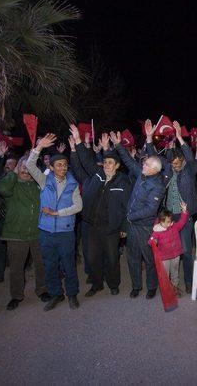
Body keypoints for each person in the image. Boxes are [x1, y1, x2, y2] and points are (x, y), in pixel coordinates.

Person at [68, 126, 131, 297]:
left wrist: (124, 227)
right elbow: (86, 161)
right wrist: (79, 142)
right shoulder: (98, 175)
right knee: (93, 257)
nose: (107, 165)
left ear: (117, 166)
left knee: (111, 258)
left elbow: (127, 207)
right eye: (105, 162)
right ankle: (96, 284)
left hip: (111, 228)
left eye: (110, 162)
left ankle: (113, 284)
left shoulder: (123, 182)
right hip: (92, 226)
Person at [26, 133, 83, 311]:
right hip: (46, 232)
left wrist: (57, 213)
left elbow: (78, 206)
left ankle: (72, 294)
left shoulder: (73, 184)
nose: (63, 167)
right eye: (59, 165)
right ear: (51, 167)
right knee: (49, 265)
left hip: (66, 233)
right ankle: (55, 294)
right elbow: (29, 165)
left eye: (65, 165)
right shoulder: (44, 180)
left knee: (68, 265)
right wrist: (38, 147)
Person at [112, 126, 165, 299]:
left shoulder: (157, 185)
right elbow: (128, 161)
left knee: (149, 259)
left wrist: (129, 216)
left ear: (154, 170)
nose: (143, 164)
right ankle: (136, 286)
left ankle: (151, 286)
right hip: (132, 224)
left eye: (147, 164)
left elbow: (150, 210)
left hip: (144, 227)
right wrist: (119, 145)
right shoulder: (142, 174)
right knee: (132, 257)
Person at [152, 121, 197, 293]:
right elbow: (156, 159)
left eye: (178, 161)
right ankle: (170, 285)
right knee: (168, 252)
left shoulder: (189, 170)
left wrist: (179, 137)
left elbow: (190, 157)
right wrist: (150, 138)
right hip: (168, 217)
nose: (176, 164)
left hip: (184, 216)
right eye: (173, 162)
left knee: (186, 250)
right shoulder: (167, 171)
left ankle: (188, 281)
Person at [0, 156, 50, 310]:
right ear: (17, 168)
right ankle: (16, 295)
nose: (26, 171)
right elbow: (1, 189)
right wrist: (13, 173)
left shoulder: (38, 185)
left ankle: (42, 289)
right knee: (16, 267)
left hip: (38, 232)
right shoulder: (11, 184)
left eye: (29, 167)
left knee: (41, 264)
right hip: (15, 233)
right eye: (23, 167)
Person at [149, 202, 189, 297]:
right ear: (160, 221)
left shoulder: (174, 227)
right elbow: (150, 241)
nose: (167, 224)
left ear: (171, 221)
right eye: (164, 222)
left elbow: (182, 222)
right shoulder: (157, 231)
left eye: (169, 222)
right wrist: (153, 241)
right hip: (164, 257)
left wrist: (184, 211)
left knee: (175, 272)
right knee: (165, 274)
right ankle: (166, 290)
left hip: (175, 255)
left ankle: (174, 287)